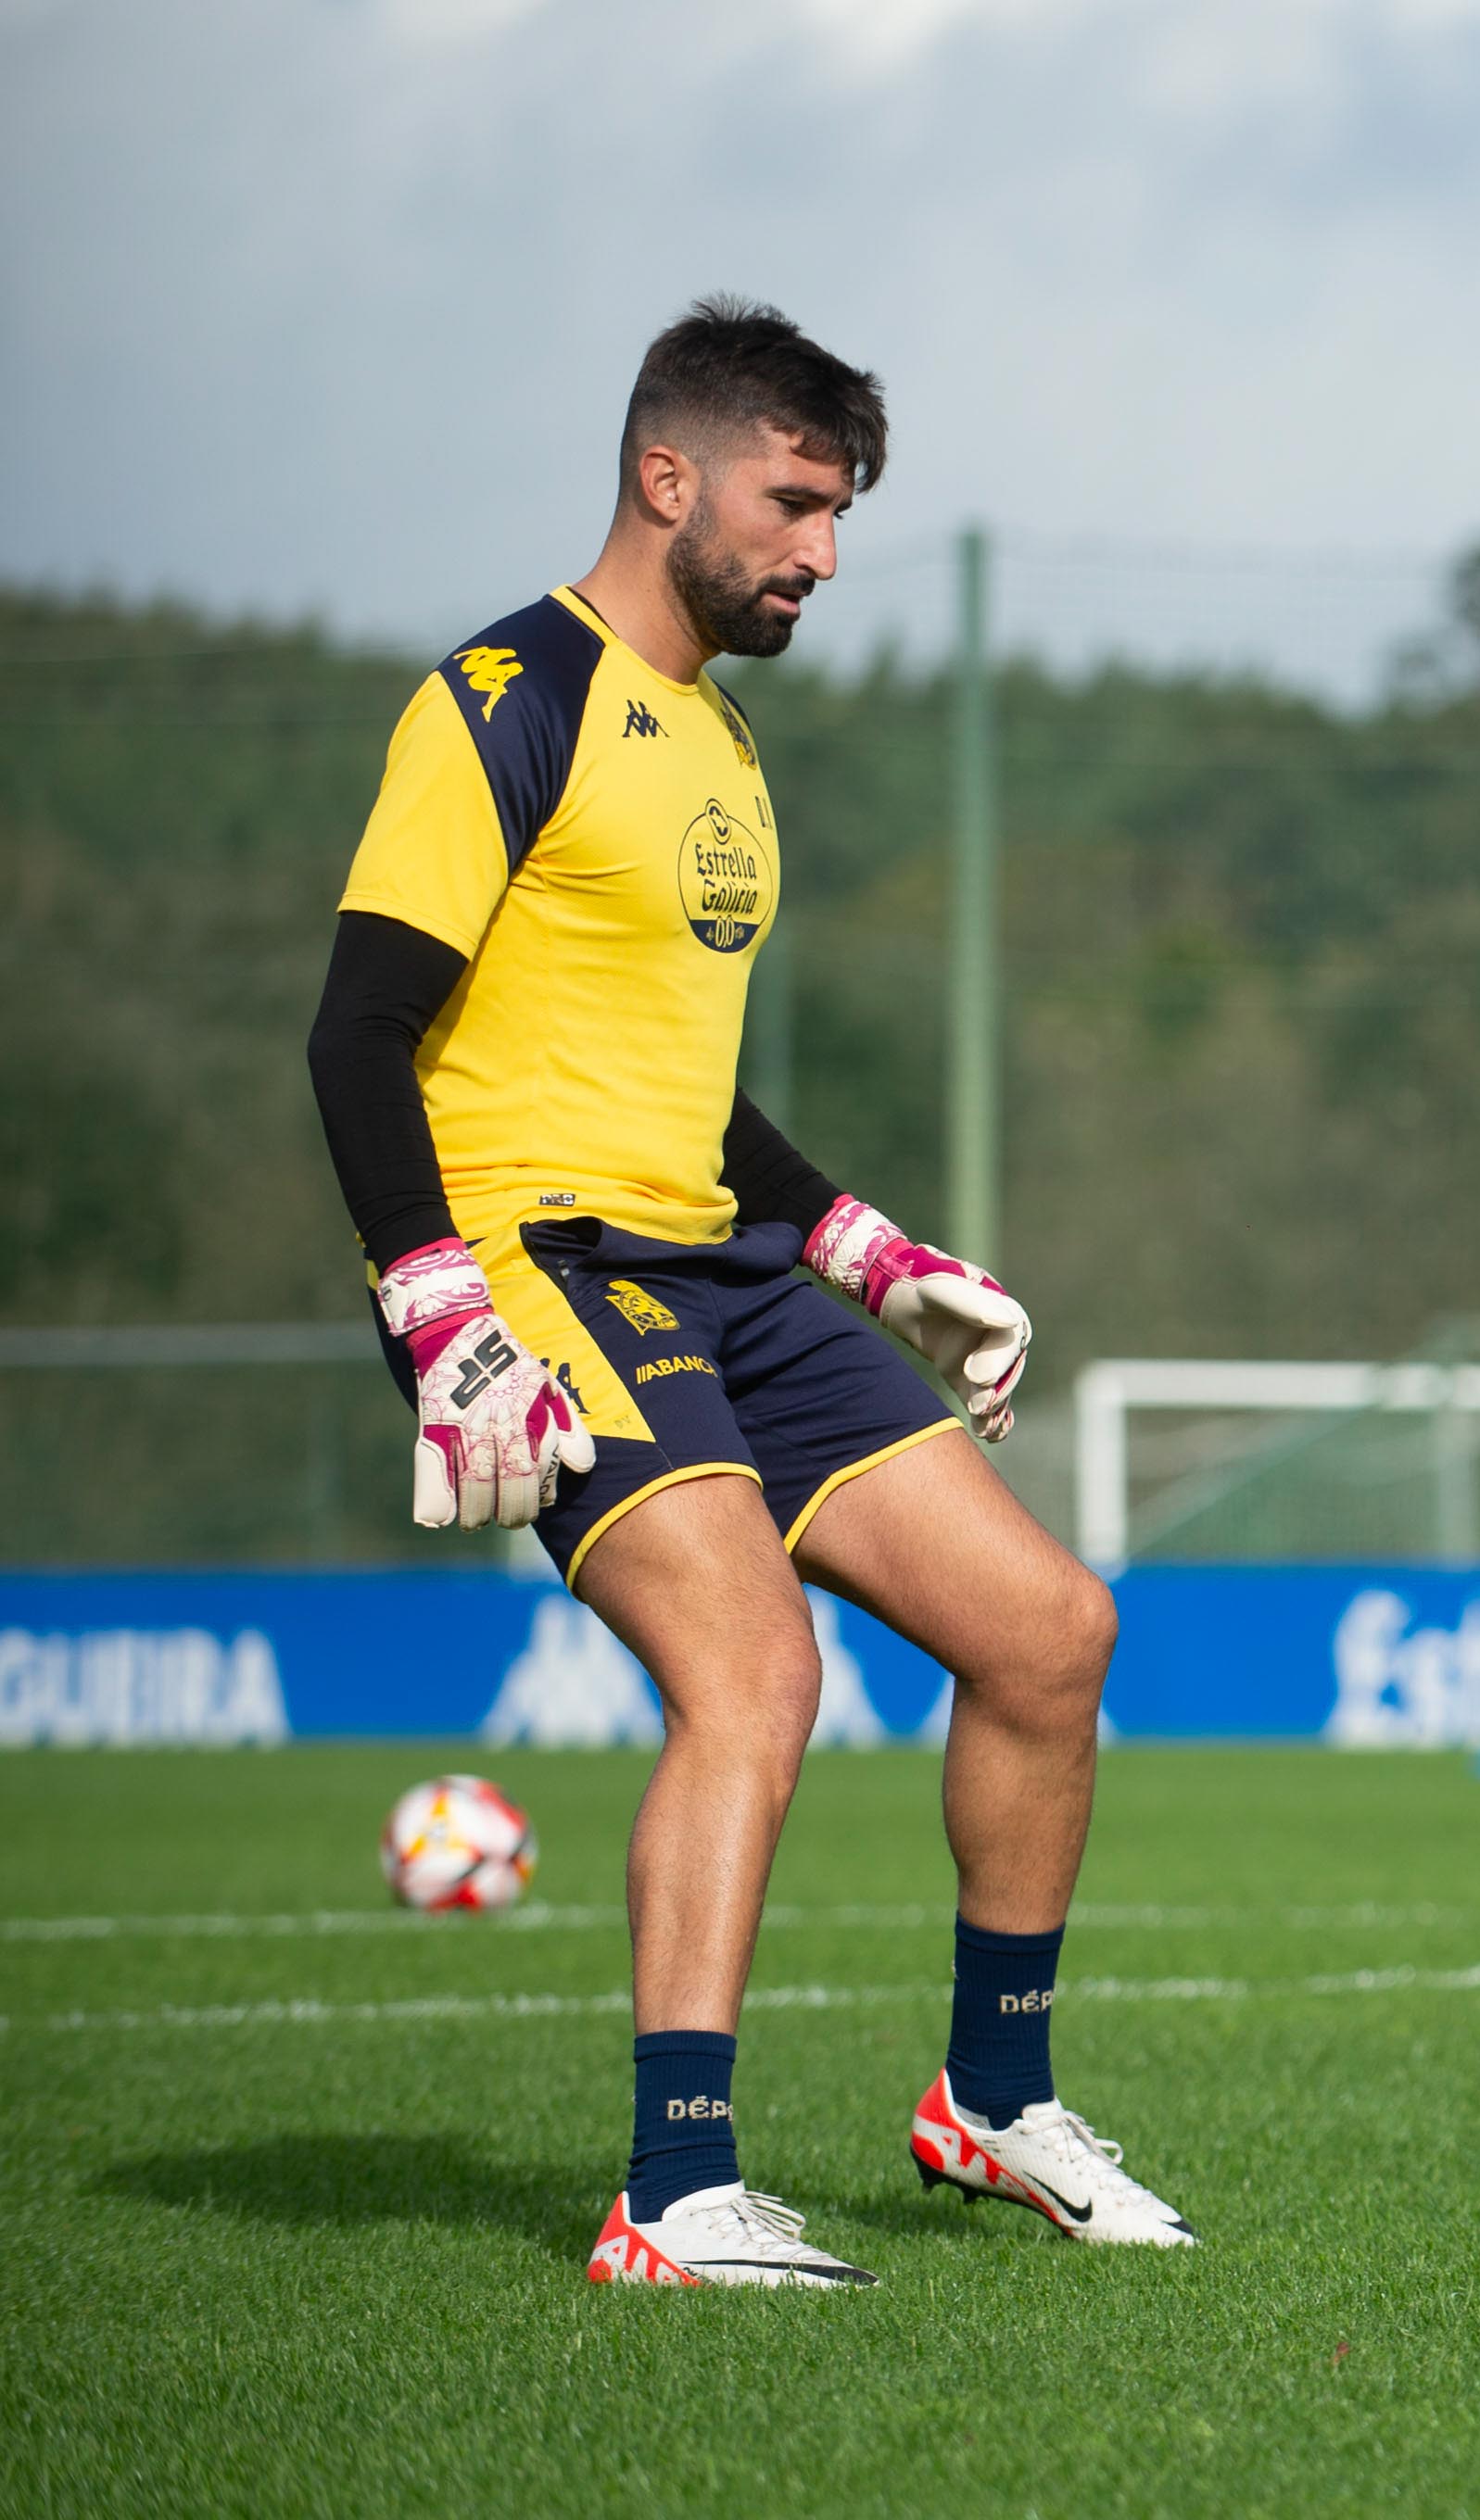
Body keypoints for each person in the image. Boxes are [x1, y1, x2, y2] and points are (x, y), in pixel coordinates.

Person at [302, 298, 1190, 2287]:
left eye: (844, 510)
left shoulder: (717, 740)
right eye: (796, 502)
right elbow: (359, 1036)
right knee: (758, 1671)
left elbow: (686, 1092)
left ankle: (991, 2100)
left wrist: (877, 1255)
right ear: (667, 476)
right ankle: (675, 2191)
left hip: (718, 1264)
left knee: (1049, 1631)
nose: (823, 551)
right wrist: (436, 1306)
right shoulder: (499, 697)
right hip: (538, 1268)